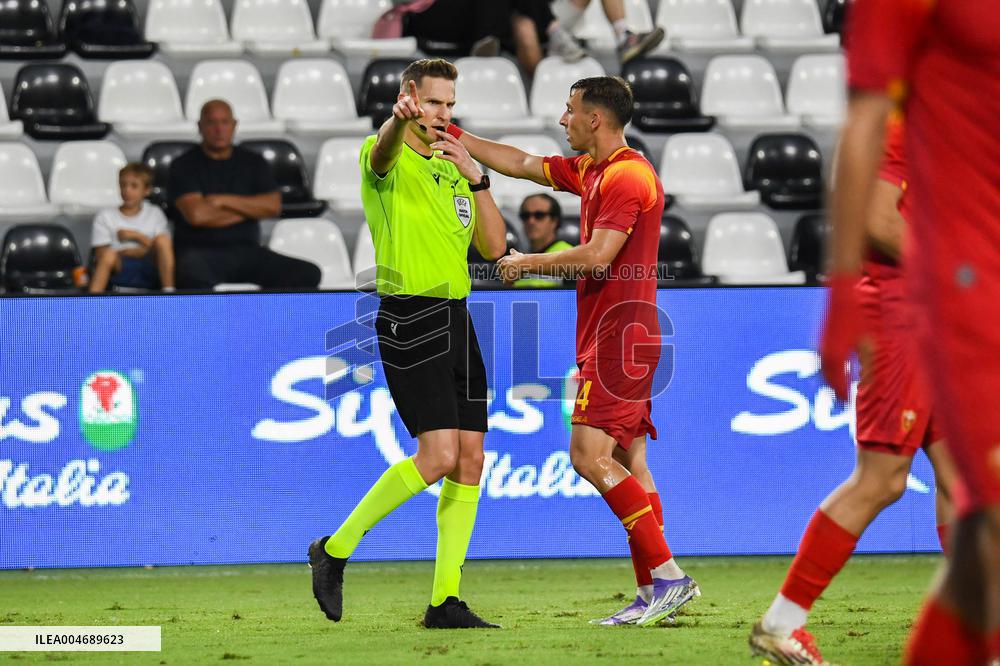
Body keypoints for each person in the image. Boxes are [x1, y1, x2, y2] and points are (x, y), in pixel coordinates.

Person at [446, 75, 698, 626]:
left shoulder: (628, 176)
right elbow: (522, 163)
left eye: (569, 111)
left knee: (587, 457)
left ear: (595, 119)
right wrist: (454, 132)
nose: (563, 120)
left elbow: (598, 259)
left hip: (619, 339)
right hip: (618, 336)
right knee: (632, 463)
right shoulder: (594, 170)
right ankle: (655, 590)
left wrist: (524, 262)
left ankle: (671, 578)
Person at [818, 1, 1000, 664]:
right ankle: (785, 618)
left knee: (968, 487)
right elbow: (872, 194)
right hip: (935, 307)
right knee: (898, 481)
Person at [748, 117, 956, 665]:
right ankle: (781, 623)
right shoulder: (900, 123)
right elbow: (878, 220)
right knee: (882, 479)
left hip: (930, 319)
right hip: (899, 314)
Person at [308, 59, 507, 629]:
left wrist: (478, 176)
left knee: (470, 461)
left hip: (457, 315)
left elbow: (494, 249)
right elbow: (381, 154)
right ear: (410, 98)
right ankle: (336, 549)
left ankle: (445, 601)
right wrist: (395, 125)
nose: (443, 114)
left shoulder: (453, 169)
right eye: (434, 102)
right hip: (409, 315)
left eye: (450, 104)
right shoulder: (386, 155)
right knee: (439, 456)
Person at [169, 99, 321, 290]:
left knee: (308, 273)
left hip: (248, 251)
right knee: (190, 272)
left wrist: (222, 200)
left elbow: (272, 207)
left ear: (234, 125)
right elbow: (198, 216)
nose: (219, 129)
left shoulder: (253, 162)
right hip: (201, 253)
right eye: (212, 122)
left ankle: (269, 318)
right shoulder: (183, 165)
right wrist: (250, 209)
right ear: (200, 126)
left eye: (225, 122)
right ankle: (212, 320)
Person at [89, 163, 175, 294]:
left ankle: (169, 293)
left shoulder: (155, 213)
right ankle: (92, 302)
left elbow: (162, 248)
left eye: (134, 186)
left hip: (151, 265)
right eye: (123, 185)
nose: (127, 190)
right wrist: (132, 251)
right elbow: (101, 254)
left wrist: (136, 236)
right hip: (119, 267)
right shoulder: (105, 216)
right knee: (108, 255)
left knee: (163, 240)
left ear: (146, 190)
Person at [513, 193, 574, 288]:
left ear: (554, 221)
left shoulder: (569, 254)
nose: (531, 221)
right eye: (526, 216)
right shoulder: (519, 257)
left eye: (539, 215)